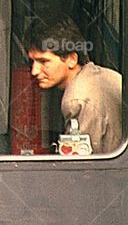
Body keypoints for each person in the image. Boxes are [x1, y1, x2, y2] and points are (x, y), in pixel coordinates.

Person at [25, 17, 123, 154]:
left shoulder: (78, 99)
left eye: (43, 61)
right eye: (33, 61)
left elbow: (83, 168)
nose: (34, 71)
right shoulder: (109, 76)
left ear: (72, 59)